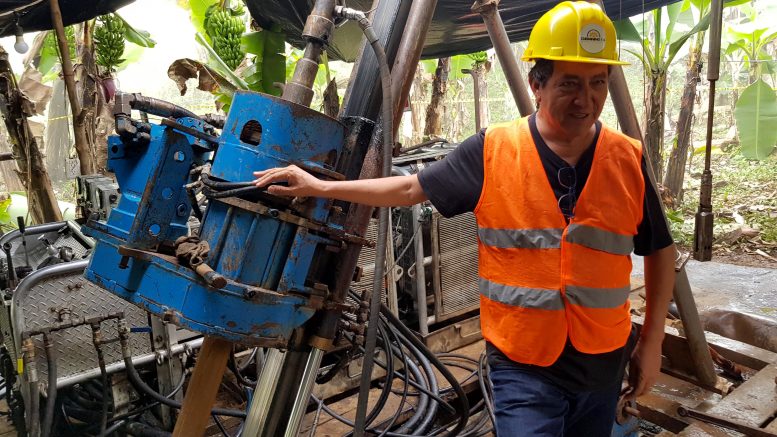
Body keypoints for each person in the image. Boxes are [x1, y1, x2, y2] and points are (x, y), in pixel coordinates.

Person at [254, 2, 676, 435]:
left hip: (603, 359)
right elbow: (409, 189)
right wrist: (320, 187)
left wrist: (652, 340)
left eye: (597, 82)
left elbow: (660, 251)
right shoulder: (493, 151)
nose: (586, 100)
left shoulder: (627, 158)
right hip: (522, 363)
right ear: (537, 84)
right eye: (570, 83)